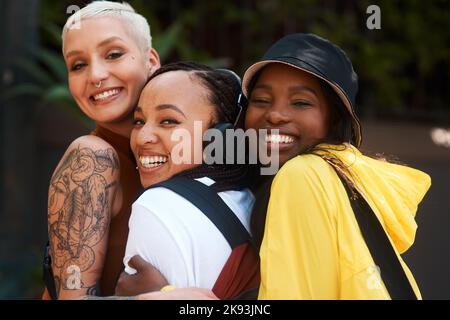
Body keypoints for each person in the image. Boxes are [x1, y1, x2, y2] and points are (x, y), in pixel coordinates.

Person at [119, 33, 431, 300]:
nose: (276, 115)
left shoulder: (302, 176)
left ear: (334, 119)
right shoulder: (346, 175)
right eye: (262, 100)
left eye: (301, 102)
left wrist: (169, 296)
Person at [44, 1, 160, 299]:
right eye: (78, 65)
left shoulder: (180, 151)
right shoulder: (92, 157)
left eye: (113, 54)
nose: (95, 75)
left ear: (151, 61)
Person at [120, 62, 259, 299]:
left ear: (220, 135)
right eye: (139, 121)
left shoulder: (157, 204)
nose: (143, 137)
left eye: (168, 121)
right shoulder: (252, 198)